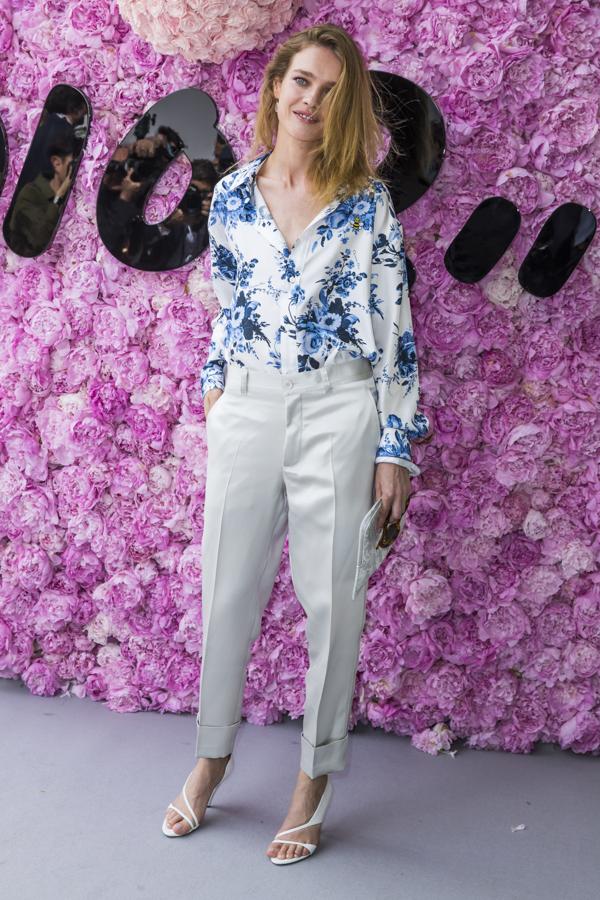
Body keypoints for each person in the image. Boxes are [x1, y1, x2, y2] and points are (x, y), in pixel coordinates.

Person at [162, 23, 430, 864]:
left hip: (339, 414)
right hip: (246, 407)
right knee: (227, 590)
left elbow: (396, 334)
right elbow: (227, 301)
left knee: (333, 597)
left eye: (330, 91)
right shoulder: (233, 194)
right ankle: (211, 760)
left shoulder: (367, 203)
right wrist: (215, 384)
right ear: (277, 85)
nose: (311, 100)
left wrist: (397, 446)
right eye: (301, 82)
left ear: (344, 108)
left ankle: (312, 780)